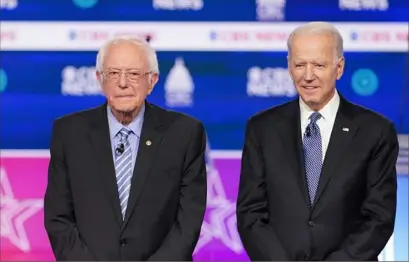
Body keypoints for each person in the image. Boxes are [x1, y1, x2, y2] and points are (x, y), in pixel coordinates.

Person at [236, 22, 399, 261]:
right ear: (289, 67)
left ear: (339, 67)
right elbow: (251, 213)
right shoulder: (262, 128)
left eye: (319, 65)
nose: (308, 75)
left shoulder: (375, 131)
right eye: (300, 65)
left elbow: (379, 217)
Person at [44, 35, 207, 261]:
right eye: (113, 73)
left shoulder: (184, 133)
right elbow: (58, 218)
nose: (122, 83)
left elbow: (188, 222)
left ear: (152, 81)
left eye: (133, 74)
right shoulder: (69, 133)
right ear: (100, 79)